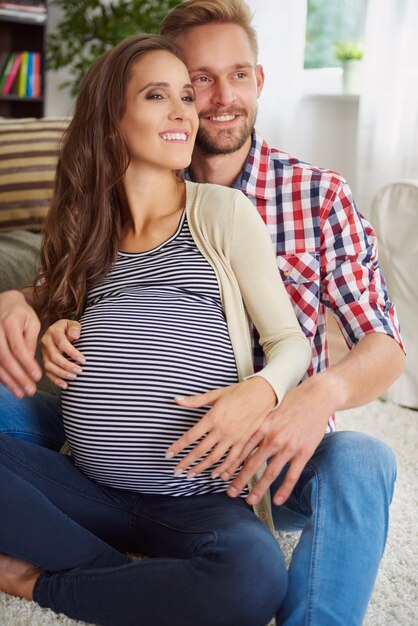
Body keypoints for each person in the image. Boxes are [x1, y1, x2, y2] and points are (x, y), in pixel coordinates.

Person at [0, 1, 405, 625]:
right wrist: (26, 308)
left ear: (260, 82)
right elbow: (57, 294)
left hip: (245, 468)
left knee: (348, 475)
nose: (208, 101)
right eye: (190, 84)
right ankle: (123, 570)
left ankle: (61, 574)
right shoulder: (96, 216)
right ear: (118, 114)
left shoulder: (290, 201)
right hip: (91, 466)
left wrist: (280, 392)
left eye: (236, 75)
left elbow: (373, 344)